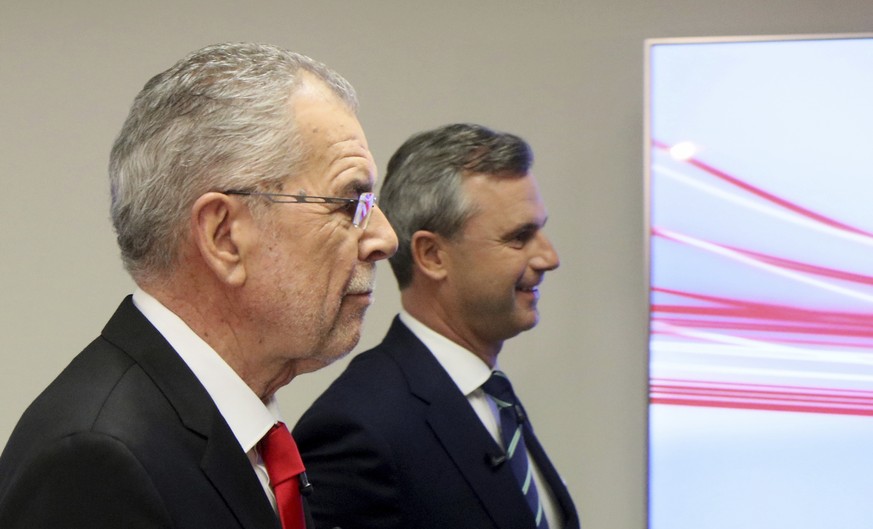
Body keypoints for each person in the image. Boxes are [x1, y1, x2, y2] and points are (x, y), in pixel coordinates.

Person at [0, 42, 397, 529]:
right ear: (224, 236)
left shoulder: (240, 434)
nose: (384, 238)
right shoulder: (95, 463)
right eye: (348, 204)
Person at [293, 123, 580, 529]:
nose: (549, 257)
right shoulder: (359, 429)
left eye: (540, 229)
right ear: (431, 255)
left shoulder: (494, 399)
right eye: (520, 237)